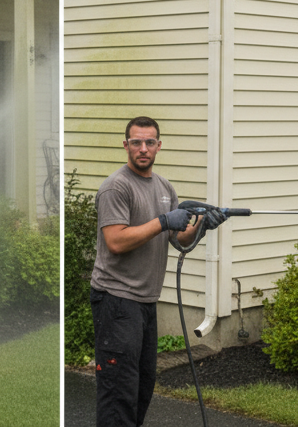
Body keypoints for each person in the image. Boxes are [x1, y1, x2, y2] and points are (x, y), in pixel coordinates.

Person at [88, 115, 225, 427]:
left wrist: (202, 225)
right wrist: (164, 221)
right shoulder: (116, 187)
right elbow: (116, 241)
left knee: (141, 386)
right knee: (118, 392)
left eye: (149, 142)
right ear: (126, 145)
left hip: (146, 302)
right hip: (116, 300)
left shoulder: (164, 188)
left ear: (159, 146)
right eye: (136, 142)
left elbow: (178, 239)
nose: (143, 148)